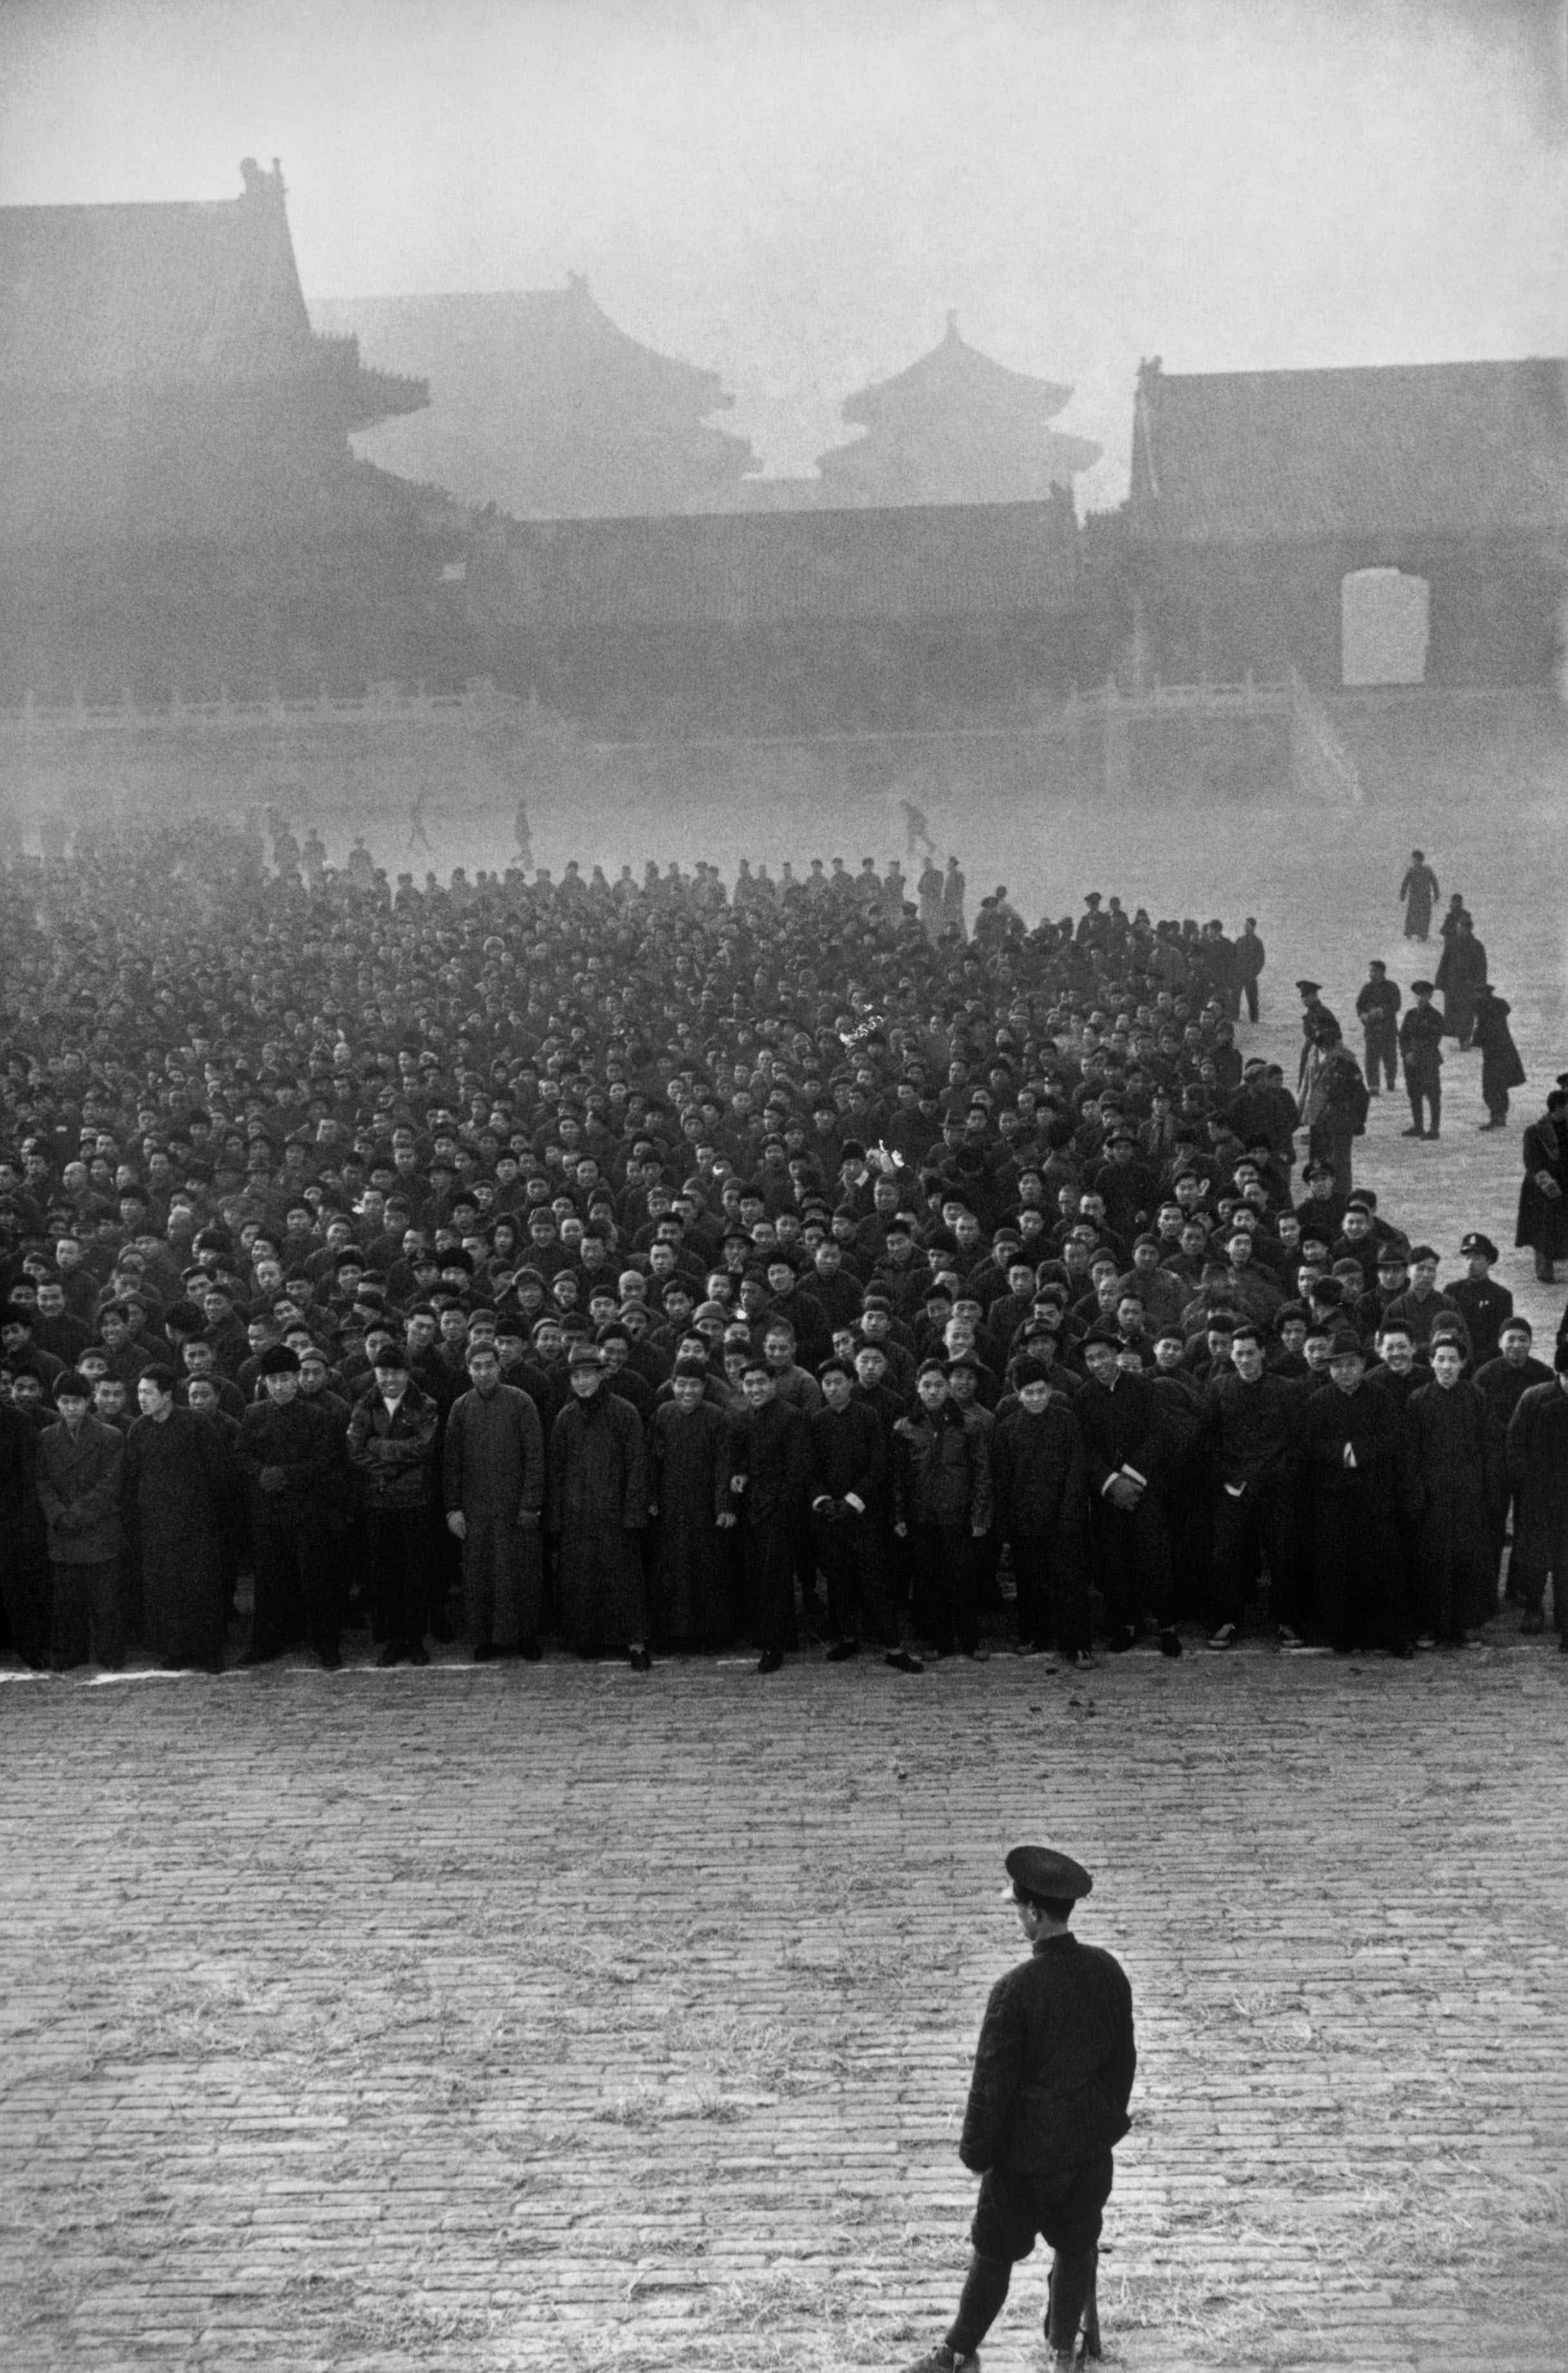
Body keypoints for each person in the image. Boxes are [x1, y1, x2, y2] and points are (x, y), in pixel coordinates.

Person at [906, 1845, 1135, 2373]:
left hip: (1022, 2161)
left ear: (1034, 1913)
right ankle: (1063, 2354)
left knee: (993, 2256)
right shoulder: (1107, 1971)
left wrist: (977, 2154)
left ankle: (958, 2353)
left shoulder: (1014, 1990)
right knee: (1078, 2244)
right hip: (1086, 2150)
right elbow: (1123, 2062)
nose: (1017, 1916)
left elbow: (991, 2087)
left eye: (1018, 1908)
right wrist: (1099, 2123)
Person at [1302, 1332, 1411, 1655]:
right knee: (1339, 1565)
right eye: (1337, 1367)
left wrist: (1358, 1453)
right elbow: (1310, 1445)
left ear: (1363, 1365)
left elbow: (1392, 1438)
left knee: (1381, 1564)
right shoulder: (1319, 1401)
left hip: (1374, 1495)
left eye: (1350, 1365)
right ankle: (1344, 1633)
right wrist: (1341, 1454)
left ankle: (1388, 1634)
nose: (1344, 1372)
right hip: (1334, 1498)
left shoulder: (1381, 1397)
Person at [121, 1364, 232, 1671]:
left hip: (196, 1525)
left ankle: (209, 1653)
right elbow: (131, 1480)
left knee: (201, 1589)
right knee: (165, 1590)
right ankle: (175, 1650)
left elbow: (218, 1474)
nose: (141, 1399)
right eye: (139, 1392)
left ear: (167, 1395)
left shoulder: (195, 1424)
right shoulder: (139, 1429)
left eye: (148, 1392)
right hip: (157, 1526)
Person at [236, 1343, 341, 1668]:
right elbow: (241, 1455)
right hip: (267, 1511)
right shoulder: (253, 1415)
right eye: (273, 1380)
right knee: (269, 1580)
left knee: (315, 1579)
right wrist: (261, 1473)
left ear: (297, 1379)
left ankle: (325, 1644)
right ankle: (266, 1643)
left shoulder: (316, 1415)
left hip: (306, 1509)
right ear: (264, 1382)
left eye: (285, 1378)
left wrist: (287, 1475)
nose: (279, 1386)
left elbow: (326, 1461)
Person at [547, 1343, 651, 1668]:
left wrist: (634, 1512)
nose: (582, 1383)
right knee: (582, 1580)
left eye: (588, 1375)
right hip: (578, 1515)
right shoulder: (566, 1418)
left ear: (602, 1375)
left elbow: (637, 1465)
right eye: (576, 1376)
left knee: (623, 1580)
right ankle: (588, 1638)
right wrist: (557, 1517)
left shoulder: (624, 1412)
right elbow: (557, 1470)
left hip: (615, 1514)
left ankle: (633, 1643)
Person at [442, 1336, 546, 1661]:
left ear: (500, 1367)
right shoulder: (461, 1408)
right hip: (476, 1510)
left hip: (515, 1507)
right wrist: (453, 1509)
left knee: (520, 1574)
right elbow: (452, 1463)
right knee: (481, 1574)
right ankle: (485, 1637)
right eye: (477, 1367)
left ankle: (525, 1636)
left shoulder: (521, 1402)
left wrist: (531, 1504)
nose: (484, 1373)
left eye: (490, 1366)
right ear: (468, 1370)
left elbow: (535, 1456)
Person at [1399, 1339, 1505, 1646]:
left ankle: (1467, 1624)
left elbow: (1490, 1447)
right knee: (1432, 1563)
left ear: (1462, 1364)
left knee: (1469, 1561)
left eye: (1452, 1360)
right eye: (1440, 1359)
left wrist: (1488, 1493)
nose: (1446, 1366)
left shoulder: (1476, 1397)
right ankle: (1432, 1626)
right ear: (1431, 1362)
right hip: (1433, 1498)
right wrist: (1417, 1495)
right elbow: (1411, 1453)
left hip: (1470, 1496)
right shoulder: (1418, 1400)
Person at [989, 1356, 1093, 1660]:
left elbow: (1077, 1470)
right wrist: (1008, 1526)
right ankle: (1035, 1636)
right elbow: (1003, 1480)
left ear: (1051, 1390)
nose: (1036, 1399)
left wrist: (1070, 1512)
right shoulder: (1007, 1429)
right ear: (1018, 1394)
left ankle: (1077, 1644)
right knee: (1031, 1582)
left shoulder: (1067, 1421)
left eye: (1041, 1392)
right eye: (1029, 1393)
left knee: (1070, 1582)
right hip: (1026, 1519)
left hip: (1064, 1517)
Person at [346, 1343, 440, 1667]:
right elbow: (355, 1449)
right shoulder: (365, 1404)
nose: (389, 1379)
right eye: (383, 1372)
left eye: (396, 1372)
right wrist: (386, 1465)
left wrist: (379, 1447)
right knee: (383, 1574)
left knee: (415, 1572)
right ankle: (392, 1639)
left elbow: (425, 1448)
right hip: (379, 1501)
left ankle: (414, 1639)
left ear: (407, 1374)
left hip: (415, 1500)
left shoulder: (425, 1405)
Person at [36, 1369, 126, 1670]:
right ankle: (70, 1654)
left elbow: (110, 1484)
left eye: (77, 1401)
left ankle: (110, 1654)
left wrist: (78, 1514)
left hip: (98, 1529)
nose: (71, 1408)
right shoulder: (47, 1438)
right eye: (65, 1401)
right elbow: (43, 1483)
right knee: (67, 1602)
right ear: (57, 1403)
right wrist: (59, 1515)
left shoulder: (110, 1437)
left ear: (89, 1402)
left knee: (106, 1603)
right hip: (63, 1531)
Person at [645, 1355, 738, 1647]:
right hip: (671, 1506)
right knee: (670, 1570)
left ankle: (708, 1634)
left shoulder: (717, 1417)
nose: (687, 1392)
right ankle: (672, 1633)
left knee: (706, 1569)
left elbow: (725, 1464)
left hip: (704, 1506)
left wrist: (724, 1506)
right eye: (681, 1385)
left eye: (694, 1385)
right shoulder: (663, 1414)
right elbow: (652, 1461)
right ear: (672, 1385)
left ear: (704, 1386)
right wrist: (652, 1498)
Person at [1504, 1347, 1568, 1642]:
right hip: (1538, 1494)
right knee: (1535, 1557)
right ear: (1560, 1373)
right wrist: (1527, 1483)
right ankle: (1533, 1606)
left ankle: (1564, 1611)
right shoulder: (1535, 1398)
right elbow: (1515, 1444)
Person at [1515, 1088, 1568, 1284]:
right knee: (1544, 1232)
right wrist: (1547, 1184)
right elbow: (1532, 1163)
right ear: (1558, 1108)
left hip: (1566, 1185)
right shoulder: (1535, 1132)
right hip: (1541, 1190)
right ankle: (1544, 1271)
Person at [1469, 985, 1525, 1131]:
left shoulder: (1484, 1010)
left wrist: (1474, 1043)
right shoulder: (1498, 1007)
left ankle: (1497, 1117)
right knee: (1501, 1086)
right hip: (1506, 1052)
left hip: (1493, 1054)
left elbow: (1482, 1029)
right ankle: (1500, 1117)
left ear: (1482, 994)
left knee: (1490, 1088)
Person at [1397, 982, 1445, 1140]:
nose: (1420, 998)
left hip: (1428, 1061)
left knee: (1433, 1094)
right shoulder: (1410, 1014)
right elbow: (1403, 1037)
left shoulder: (1435, 1016)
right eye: (1418, 995)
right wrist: (1406, 1054)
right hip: (1411, 1062)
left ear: (1430, 996)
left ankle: (1434, 1129)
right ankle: (1418, 1126)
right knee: (1414, 1093)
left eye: (1424, 995)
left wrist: (1415, 1054)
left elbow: (1433, 1040)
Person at [1434, 914, 1487, 1051]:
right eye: (1458, 927)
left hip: (1469, 988)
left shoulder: (1477, 946)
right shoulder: (1452, 944)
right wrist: (1440, 982)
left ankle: (1465, 1040)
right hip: (1452, 986)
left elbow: (1482, 968)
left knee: (1467, 1014)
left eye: (1461, 928)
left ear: (1469, 929)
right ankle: (1458, 1037)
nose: (1459, 930)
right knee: (1453, 1014)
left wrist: (1480, 988)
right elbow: (1444, 963)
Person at [1354, 960, 1401, 1097]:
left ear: (1381, 972)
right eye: (1370, 971)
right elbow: (1360, 1005)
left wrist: (1380, 1011)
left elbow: (1396, 1005)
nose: (1371, 974)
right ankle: (1373, 1085)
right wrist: (1363, 1016)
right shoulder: (1367, 988)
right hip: (1372, 1029)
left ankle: (1390, 1079)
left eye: (1374, 971)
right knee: (1371, 1058)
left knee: (1390, 1057)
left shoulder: (1392, 987)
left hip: (1388, 1029)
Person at [1399, 849, 1439, 940]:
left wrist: (1436, 895)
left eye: (1413, 859)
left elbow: (1434, 882)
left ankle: (1421, 934)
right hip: (1419, 898)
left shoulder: (1417, 870)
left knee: (1420, 916)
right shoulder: (1418, 870)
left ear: (1417, 860)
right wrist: (1403, 895)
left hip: (1421, 898)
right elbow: (1405, 883)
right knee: (1416, 916)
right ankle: (1413, 933)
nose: (1412, 861)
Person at [1234, 917, 1265, 1022]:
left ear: (1253, 927)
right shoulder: (1239, 941)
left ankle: (1254, 1020)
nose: (1245, 927)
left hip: (1250, 976)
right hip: (1238, 975)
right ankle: (1235, 1019)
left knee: (1252, 1001)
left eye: (1248, 925)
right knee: (1235, 998)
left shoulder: (1257, 943)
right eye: (1245, 925)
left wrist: (1253, 973)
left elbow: (1260, 960)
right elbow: (1233, 956)